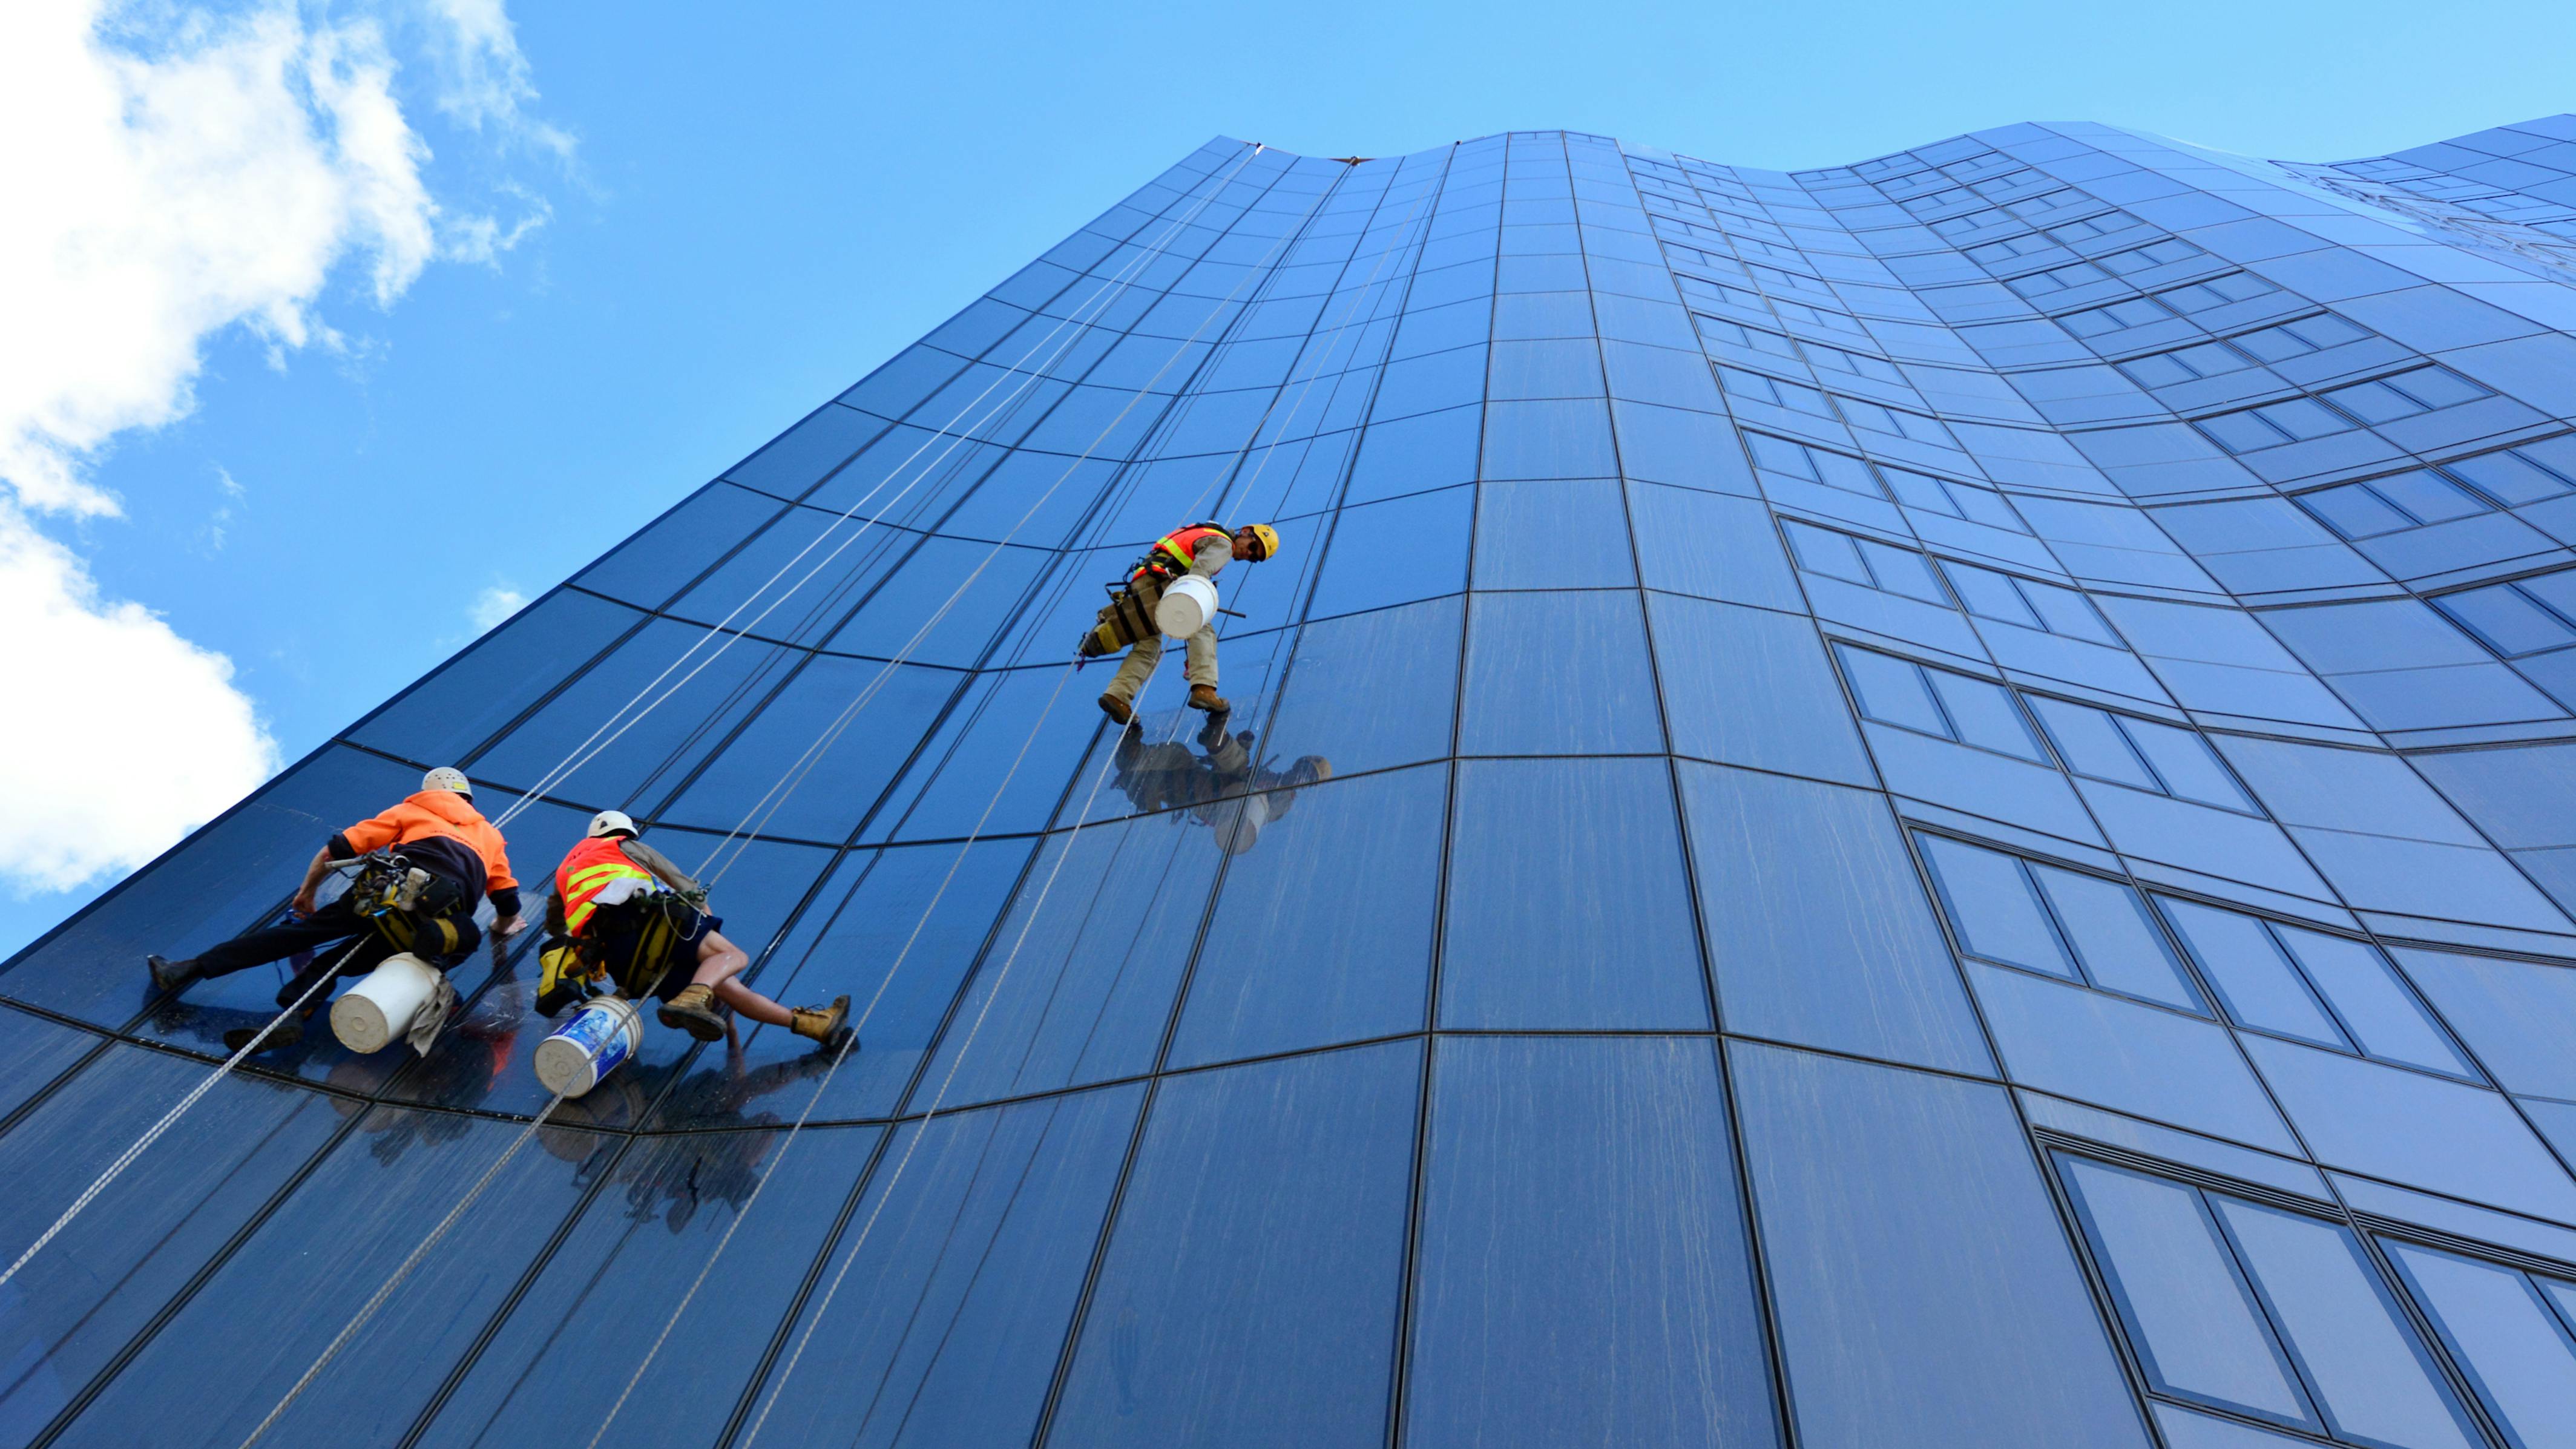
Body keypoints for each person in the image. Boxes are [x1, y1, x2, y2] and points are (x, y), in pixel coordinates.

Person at [145, 767, 519, 1049]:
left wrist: (307, 893)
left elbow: (336, 851)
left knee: (295, 939)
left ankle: (186, 971)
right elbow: (506, 901)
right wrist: (503, 931)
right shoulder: (492, 837)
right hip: (435, 927)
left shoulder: (414, 810)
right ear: (468, 798)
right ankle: (289, 1019)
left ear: (430, 792)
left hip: (388, 895)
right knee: (334, 965)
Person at [536, 810, 851, 1053]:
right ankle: (692, 999)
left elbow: (555, 924)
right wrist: (706, 924)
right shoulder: (624, 846)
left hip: (621, 962)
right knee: (732, 956)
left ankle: (814, 1026)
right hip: (653, 925)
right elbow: (683, 884)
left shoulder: (566, 870)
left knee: (728, 989)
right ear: (625, 832)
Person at [1085, 521, 1280, 725]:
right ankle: (1204, 689)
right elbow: (1199, 573)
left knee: (1147, 646)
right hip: (1161, 585)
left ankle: (1118, 696)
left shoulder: (1204, 531)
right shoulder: (1224, 544)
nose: (1249, 555)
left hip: (1144, 585)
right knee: (1202, 627)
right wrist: (1200, 600)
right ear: (1246, 532)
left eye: (1255, 559)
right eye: (1253, 548)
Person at [1111, 716, 1330, 856]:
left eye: (1307, 776)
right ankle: (1134, 756)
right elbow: (1235, 777)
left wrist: (1240, 755)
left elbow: (1251, 808)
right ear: (1297, 766)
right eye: (1303, 769)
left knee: (1235, 762)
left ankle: (1219, 742)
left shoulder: (1283, 799)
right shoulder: (1270, 778)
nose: (1300, 776)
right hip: (1212, 789)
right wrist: (1240, 750)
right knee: (1178, 754)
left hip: (1217, 802)